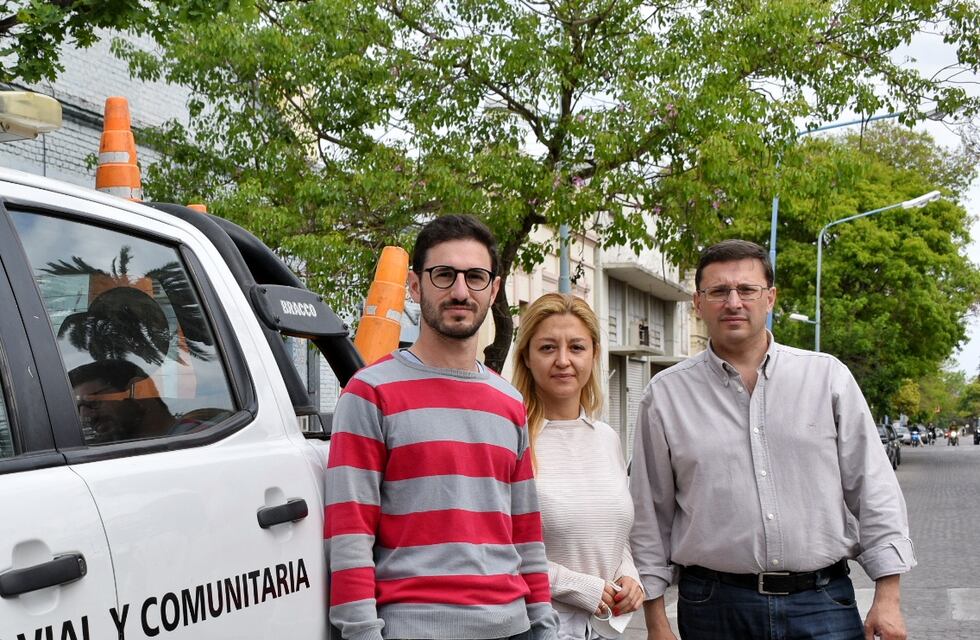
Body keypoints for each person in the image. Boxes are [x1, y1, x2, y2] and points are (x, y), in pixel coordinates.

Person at [630, 239, 915, 640]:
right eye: (718, 291)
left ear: (771, 298)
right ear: (697, 302)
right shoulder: (665, 395)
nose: (733, 302)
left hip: (822, 604)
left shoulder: (827, 378)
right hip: (714, 609)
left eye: (747, 290)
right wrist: (656, 621)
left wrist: (888, 596)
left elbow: (873, 488)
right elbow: (649, 513)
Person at [325, 215, 558, 640]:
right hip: (413, 629)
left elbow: (526, 532)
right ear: (415, 286)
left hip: (514, 627)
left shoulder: (508, 402)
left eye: (475, 277)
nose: (460, 291)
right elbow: (349, 533)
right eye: (444, 275)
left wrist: (543, 626)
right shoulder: (369, 393)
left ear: (494, 288)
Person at [512, 293, 643, 640]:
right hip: (535, 627)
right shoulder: (511, 437)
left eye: (577, 347)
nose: (563, 360)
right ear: (526, 356)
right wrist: (577, 586)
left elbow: (614, 530)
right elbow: (498, 544)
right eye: (548, 348)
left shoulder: (607, 438)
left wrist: (630, 576)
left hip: (601, 631)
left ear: (595, 354)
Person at [69, 359, 175, 443]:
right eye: (78, 411)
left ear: (139, 392)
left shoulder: (188, 447)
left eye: (92, 402)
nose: (85, 417)